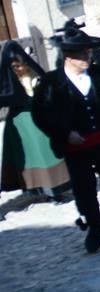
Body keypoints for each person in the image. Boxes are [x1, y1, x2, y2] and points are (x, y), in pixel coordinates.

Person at [31, 21, 100, 253]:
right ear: (68, 56)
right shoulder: (51, 83)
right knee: (84, 189)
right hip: (75, 147)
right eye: (82, 54)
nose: (87, 57)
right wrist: (65, 133)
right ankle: (95, 229)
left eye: (88, 52)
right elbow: (41, 114)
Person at [0, 41, 69, 201]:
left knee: (48, 152)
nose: (20, 68)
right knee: (32, 156)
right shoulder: (7, 83)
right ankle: (40, 189)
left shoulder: (36, 76)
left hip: (40, 118)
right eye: (15, 66)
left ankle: (56, 189)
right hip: (21, 122)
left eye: (22, 64)